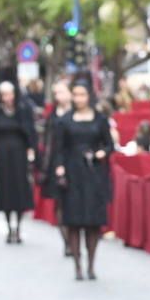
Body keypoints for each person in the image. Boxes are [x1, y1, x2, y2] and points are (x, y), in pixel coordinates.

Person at [52, 82, 115, 280]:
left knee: (93, 221)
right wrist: (60, 169)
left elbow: (110, 145)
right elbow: (59, 148)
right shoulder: (64, 120)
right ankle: (77, 265)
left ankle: (91, 264)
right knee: (73, 221)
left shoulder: (100, 119)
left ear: (90, 96)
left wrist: (100, 153)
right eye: (76, 95)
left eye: (83, 94)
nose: (79, 99)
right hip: (72, 173)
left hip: (94, 172)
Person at [0, 80, 36, 244]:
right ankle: (9, 227)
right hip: (3, 154)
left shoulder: (23, 110)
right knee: (5, 190)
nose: (7, 98)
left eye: (9, 94)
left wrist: (31, 155)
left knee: (20, 189)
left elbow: (30, 134)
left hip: (19, 154)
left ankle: (19, 227)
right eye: (4, 95)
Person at [40, 80, 75, 257]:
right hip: (55, 161)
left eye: (61, 92)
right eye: (56, 93)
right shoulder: (52, 116)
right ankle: (67, 241)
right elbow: (47, 142)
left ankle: (74, 238)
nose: (58, 96)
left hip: (74, 162)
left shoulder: (77, 113)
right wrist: (44, 168)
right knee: (58, 203)